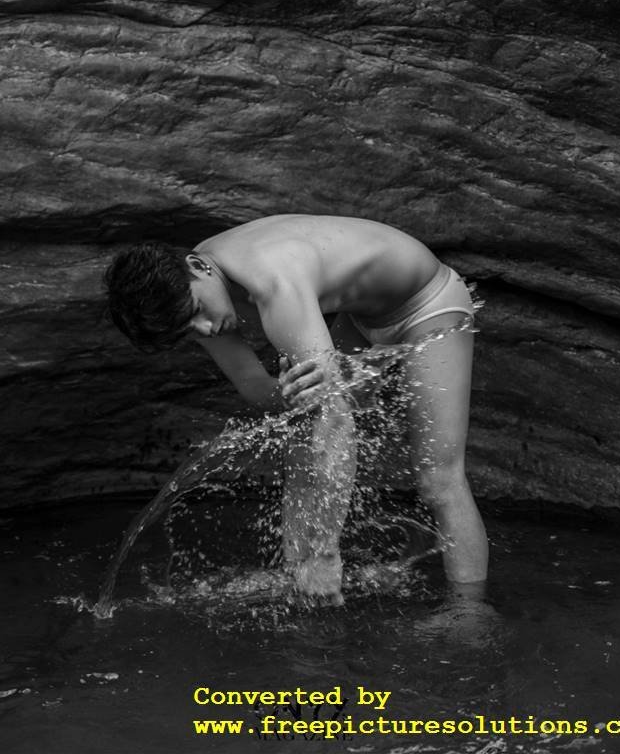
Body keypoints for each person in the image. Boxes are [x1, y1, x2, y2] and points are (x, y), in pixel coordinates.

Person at [104, 214, 488, 603]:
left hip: (426, 302)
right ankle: (303, 580)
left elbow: (335, 419)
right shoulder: (191, 293)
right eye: (188, 329)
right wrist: (289, 393)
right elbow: (255, 387)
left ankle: (470, 615)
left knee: (438, 478)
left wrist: (325, 549)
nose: (204, 329)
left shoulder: (272, 280)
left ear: (197, 267)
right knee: (304, 430)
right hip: (361, 316)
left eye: (198, 311)